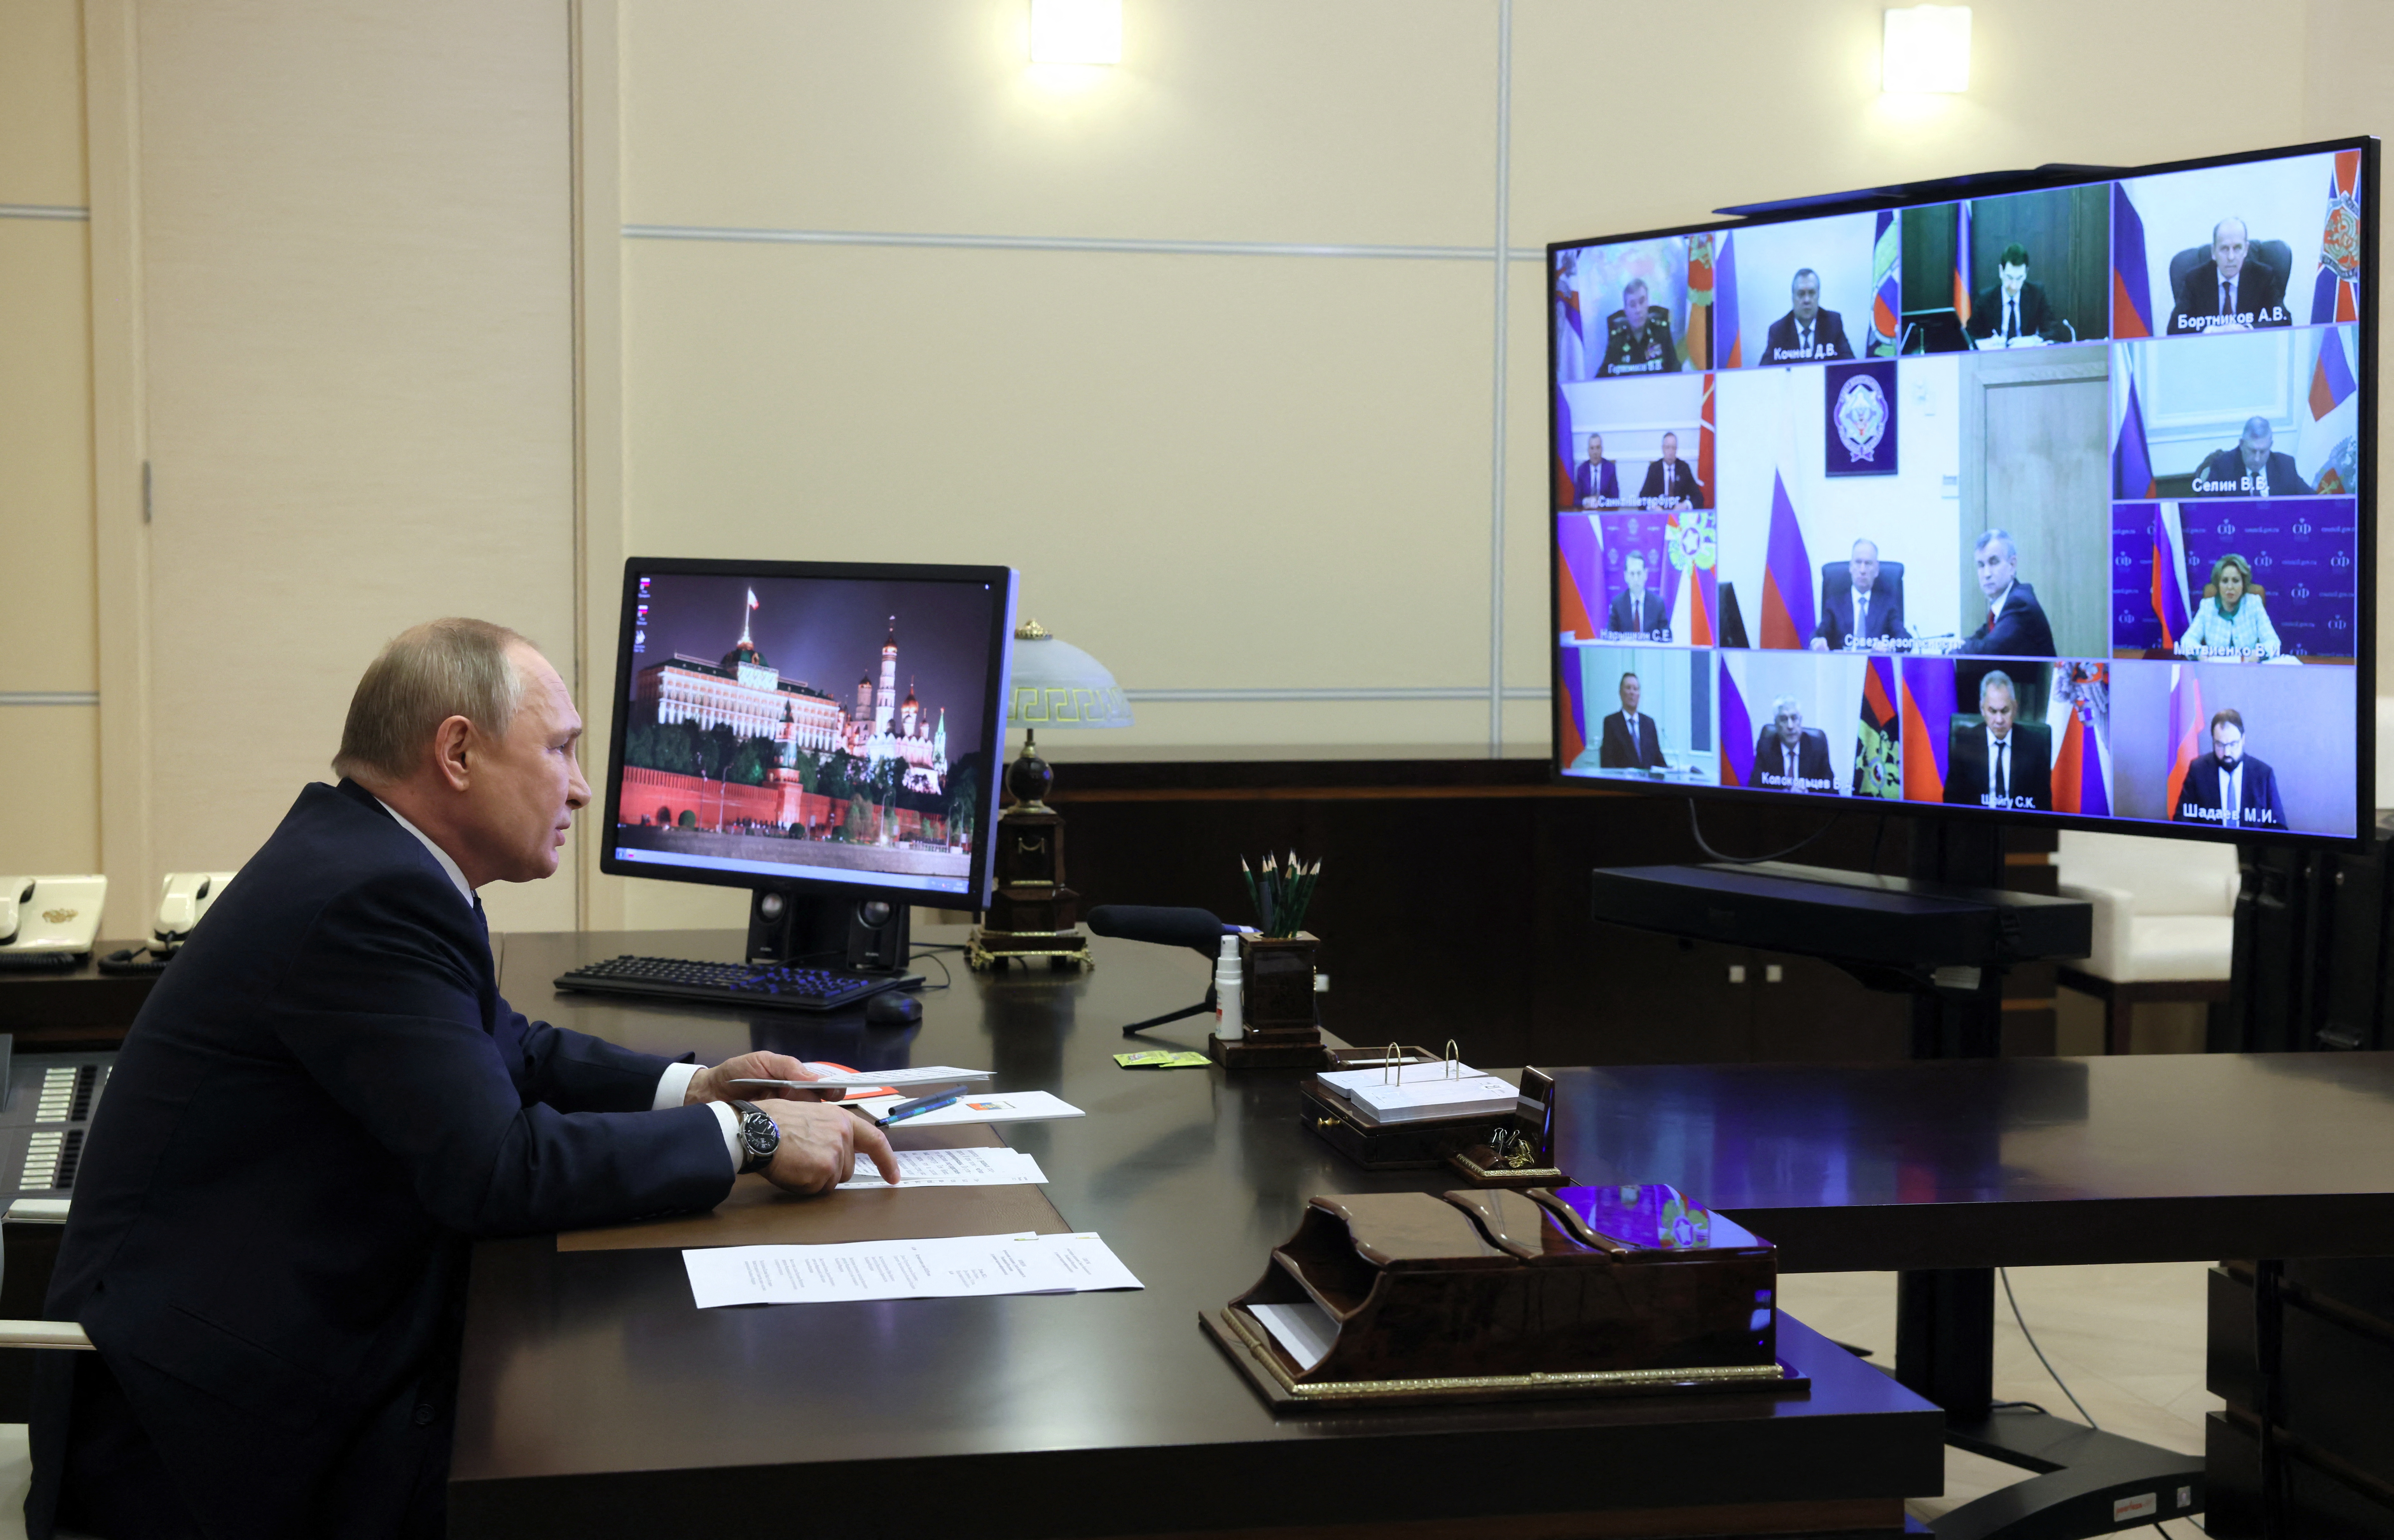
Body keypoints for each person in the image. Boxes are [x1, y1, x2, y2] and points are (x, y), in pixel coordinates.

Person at [27, 619, 903, 1540]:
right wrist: (753, 1139)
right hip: (216, 1433)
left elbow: (505, 1044)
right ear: (457, 751)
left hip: (270, 1349)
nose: (581, 786)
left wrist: (694, 1090)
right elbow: (497, 1169)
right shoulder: (371, 893)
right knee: (640, 1447)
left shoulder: (371, 859)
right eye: (561, 750)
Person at [1942, 670, 2052, 810]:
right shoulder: (1965, 744)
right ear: (1983, 709)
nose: (1999, 720)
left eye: (2005, 711)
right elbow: (1952, 801)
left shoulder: (2035, 745)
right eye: (1993, 711)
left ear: (2015, 708)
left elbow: (2043, 805)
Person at [2166, 217, 2293, 335]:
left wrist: (2247, 329)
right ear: (2214, 252)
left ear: (2246, 250)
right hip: (2209, 352)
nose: (2231, 257)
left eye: (2238, 248)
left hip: (2250, 350)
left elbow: (2285, 322)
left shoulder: (2263, 277)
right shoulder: (2195, 280)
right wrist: (2212, 331)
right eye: (2225, 249)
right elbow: (2174, 329)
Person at [2172, 708, 2286, 830]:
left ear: (2243, 740)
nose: (2227, 753)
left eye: (2233, 745)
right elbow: (2182, 820)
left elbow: (2279, 826)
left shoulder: (2263, 775)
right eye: (2220, 745)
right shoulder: (2198, 771)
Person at [1953, 529, 2056, 657]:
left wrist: (1953, 652)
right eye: (1981, 565)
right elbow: (1977, 641)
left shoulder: (2020, 604)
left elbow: (1989, 651)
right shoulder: (1999, 610)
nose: (1987, 574)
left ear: (2012, 565)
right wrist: (1951, 648)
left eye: (1994, 562)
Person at [2176, 552, 2282, 661]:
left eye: (2236, 581)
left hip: (2247, 670)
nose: (2230, 587)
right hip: (2215, 671)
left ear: (2243, 584)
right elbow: (2188, 641)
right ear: (2218, 584)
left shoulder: (2254, 604)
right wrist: (2201, 655)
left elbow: (2273, 643)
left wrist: (2258, 655)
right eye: (2225, 581)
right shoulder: (2208, 607)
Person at [1964, 242, 2064, 347]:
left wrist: (2032, 340)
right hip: (1995, 358)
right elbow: (1969, 336)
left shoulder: (2037, 295)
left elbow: (2054, 332)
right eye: (2010, 278)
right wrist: (1988, 343)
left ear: (2026, 273)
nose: (2014, 286)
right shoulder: (1986, 299)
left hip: (2027, 357)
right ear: (2001, 271)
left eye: (2019, 278)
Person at [1811, 538, 1903, 650]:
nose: (1863, 570)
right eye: (1858, 562)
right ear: (1851, 567)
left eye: (1868, 564)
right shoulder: (1835, 604)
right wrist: (1817, 643)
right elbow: (1818, 635)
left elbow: (1904, 639)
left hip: (1874, 666)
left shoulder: (1887, 605)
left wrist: (1890, 647)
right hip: (1843, 665)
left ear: (1877, 570)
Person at [2190, 416, 2312, 497]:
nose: (2257, 459)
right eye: (2253, 451)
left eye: (2263, 452)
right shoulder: (2222, 467)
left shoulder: (2285, 466)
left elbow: (2314, 502)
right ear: (2242, 444)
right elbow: (2207, 510)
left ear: (2271, 445)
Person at [1761, 268, 1855, 363]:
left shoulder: (1833, 323)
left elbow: (1850, 367)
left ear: (1819, 295)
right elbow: (1765, 372)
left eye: (1812, 293)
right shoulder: (1779, 331)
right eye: (1801, 294)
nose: (1807, 300)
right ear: (1793, 297)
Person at [1749, 695, 1835, 793]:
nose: (1790, 726)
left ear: (1801, 720)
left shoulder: (1817, 747)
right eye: (1784, 719)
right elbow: (1755, 789)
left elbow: (1832, 791)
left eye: (1794, 718)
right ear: (1776, 724)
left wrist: (1809, 795)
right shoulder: (1766, 748)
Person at [1598, 276, 1681, 376]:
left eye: (1642, 302)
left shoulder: (1661, 332)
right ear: (1626, 311)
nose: (1638, 310)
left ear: (1648, 304)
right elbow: (1604, 376)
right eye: (1633, 305)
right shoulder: (1618, 339)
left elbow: (1676, 370)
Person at [1598, 671, 1666, 770]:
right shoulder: (1611, 723)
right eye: (1628, 688)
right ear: (1621, 693)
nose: (1632, 693)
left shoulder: (1649, 723)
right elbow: (1607, 762)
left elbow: (1658, 759)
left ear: (1639, 695)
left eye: (1636, 689)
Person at [1606, 552, 1667, 637]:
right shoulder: (1617, 604)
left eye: (1639, 573)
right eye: (1632, 574)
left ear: (1646, 574)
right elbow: (1610, 636)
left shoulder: (1658, 604)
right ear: (1626, 576)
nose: (1636, 579)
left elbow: (1667, 637)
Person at [1637, 432, 1704, 508]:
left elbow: (1698, 497)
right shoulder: (1654, 469)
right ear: (1663, 449)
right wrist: (1653, 506)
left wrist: (1686, 505)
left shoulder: (1684, 468)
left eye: (1673, 448)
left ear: (1677, 449)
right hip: (1659, 515)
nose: (1671, 452)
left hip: (1679, 516)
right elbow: (1642, 498)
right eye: (1668, 448)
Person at [1574, 431, 1621, 506]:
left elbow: (1616, 498)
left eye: (1598, 448)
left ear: (1602, 450)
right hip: (1587, 512)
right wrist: (1586, 501)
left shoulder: (1610, 469)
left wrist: (1602, 502)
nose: (1595, 452)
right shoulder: (1582, 470)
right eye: (1592, 448)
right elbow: (1576, 501)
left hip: (1605, 512)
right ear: (1588, 451)